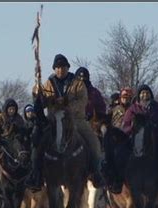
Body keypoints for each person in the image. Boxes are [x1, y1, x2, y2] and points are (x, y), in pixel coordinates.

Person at [32, 54, 105, 189]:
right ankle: (36, 174)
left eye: (63, 67)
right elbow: (42, 103)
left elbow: (82, 100)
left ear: (67, 68)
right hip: (54, 120)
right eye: (58, 67)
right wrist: (38, 95)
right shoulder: (48, 83)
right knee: (38, 143)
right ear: (54, 69)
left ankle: (96, 172)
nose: (60, 70)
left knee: (94, 141)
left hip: (75, 119)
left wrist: (66, 107)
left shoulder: (77, 83)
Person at [118, 84, 158, 200]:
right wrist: (131, 129)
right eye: (142, 93)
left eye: (147, 92)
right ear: (139, 95)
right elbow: (125, 127)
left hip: (156, 139)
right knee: (121, 155)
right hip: (137, 140)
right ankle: (118, 180)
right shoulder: (133, 109)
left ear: (150, 94)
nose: (145, 95)